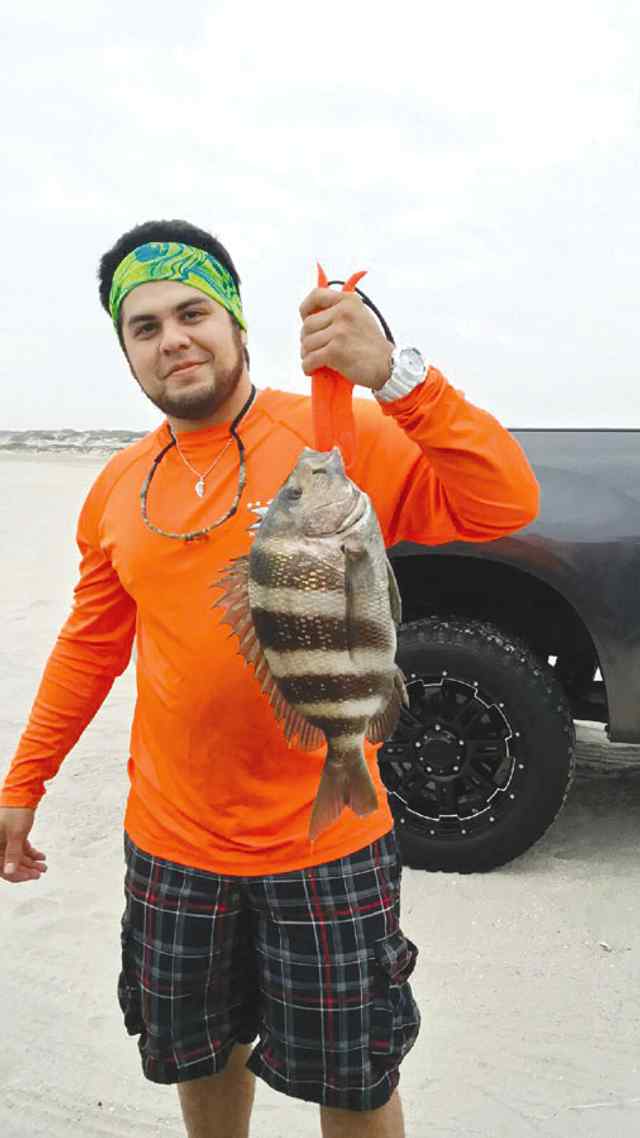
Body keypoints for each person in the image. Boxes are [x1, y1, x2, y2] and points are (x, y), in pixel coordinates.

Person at [0, 219, 540, 1138]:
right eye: (144, 327)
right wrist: (23, 783)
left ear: (237, 321)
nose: (172, 338)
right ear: (126, 352)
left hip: (326, 846)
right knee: (202, 1058)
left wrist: (396, 377)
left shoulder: (337, 439)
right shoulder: (119, 486)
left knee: (354, 1081)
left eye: (192, 311)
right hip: (171, 845)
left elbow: (503, 501)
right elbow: (92, 647)